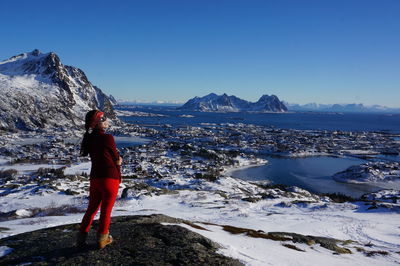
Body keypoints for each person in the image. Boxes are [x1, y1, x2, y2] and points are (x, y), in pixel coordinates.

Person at [76, 110, 122, 249]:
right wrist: (119, 164)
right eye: (105, 118)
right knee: (106, 210)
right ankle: (102, 239)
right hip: (109, 178)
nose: (108, 120)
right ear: (98, 123)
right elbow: (116, 159)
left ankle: (81, 239)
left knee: (91, 209)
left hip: (95, 178)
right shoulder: (108, 138)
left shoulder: (89, 139)